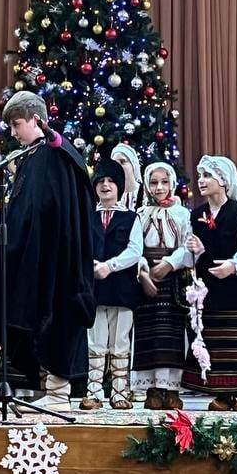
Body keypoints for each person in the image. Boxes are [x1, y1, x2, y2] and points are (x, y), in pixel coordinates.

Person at [0, 92, 96, 411]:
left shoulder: (58, 153)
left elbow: (61, 205)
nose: (13, 132)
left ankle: (59, 392)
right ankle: (40, 388)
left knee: (57, 317)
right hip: (32, 255)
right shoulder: (29, 157)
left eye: (17, 124)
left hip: (57, 258)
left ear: (36, 120)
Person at [180, 155, 237, 412]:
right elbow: (189, 255)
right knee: (215, 340)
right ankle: (220, 393)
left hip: (236, 290)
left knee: (236, 339)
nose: (201, 180)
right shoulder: (196, 215)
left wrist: (232, 265)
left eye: (207, 176)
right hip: (209, 289)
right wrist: (195, 250)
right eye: (200, 175)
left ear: (224, 181)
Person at [81, 159, 143, 411]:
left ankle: (120, 392)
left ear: (119, 186)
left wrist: (110, 266)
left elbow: (135, 251)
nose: (105, 186)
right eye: (100, 181)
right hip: (95, 289)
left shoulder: (131, 218)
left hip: (122, 288)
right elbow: (79, 246)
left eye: (110, 181)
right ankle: (94, 391)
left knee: (120, 341)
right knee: (95, 342)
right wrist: (92, 265)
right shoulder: (87, 217)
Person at [133, 161, 191, 410]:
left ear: (172, 184)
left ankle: (172, 388)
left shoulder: (182, 214)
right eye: (154, 182)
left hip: (173, 280)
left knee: (171, 334)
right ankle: (153, 389)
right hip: (147, 281)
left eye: (164, 182)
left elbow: (188, 245)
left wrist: (169, 263)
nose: (159, 187)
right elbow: (134, 247)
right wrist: (143, 271)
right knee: (150, 334)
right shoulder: (140, 214)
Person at [110, 142, 145, 212]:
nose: (118, 166)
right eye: (115, 163)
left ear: (133, 164)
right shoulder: (109, 193)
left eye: (122, 162)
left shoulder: (145, 193)